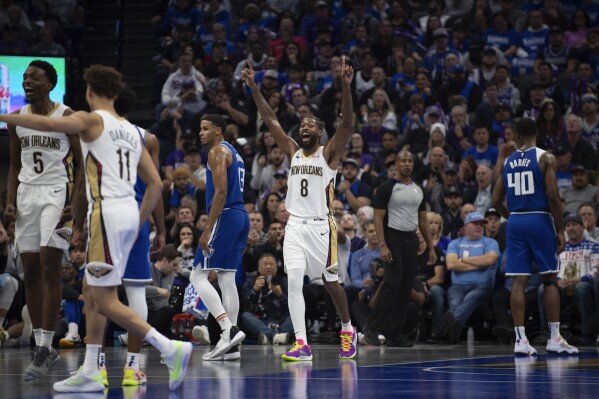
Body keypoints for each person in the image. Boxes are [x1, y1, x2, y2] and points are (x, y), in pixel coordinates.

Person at [0, 64, 193, 392]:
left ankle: (169, 347)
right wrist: (137, 221)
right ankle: (91, 370)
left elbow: (48, 122)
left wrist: (7, 117)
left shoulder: (92, 120)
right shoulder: (132, 131)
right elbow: (156, 185)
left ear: (90, 92)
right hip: (126, 214)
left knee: (103, 299)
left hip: (105, 215)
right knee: (91, 293)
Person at [243, 56, 358, 361]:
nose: (305, 127)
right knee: (294, 281)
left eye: (311, 125)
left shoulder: (328, 154)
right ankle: (302, 343)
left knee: (332, 284)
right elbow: (271, 120)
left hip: (322, 226)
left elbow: (346, 123)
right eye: (303, 124)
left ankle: (348, 329)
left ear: (319, 133)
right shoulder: (293, 151)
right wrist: (255, 88)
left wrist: (347, 87)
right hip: (295, 226)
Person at [3, 60, 85, 381]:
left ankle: (45, 345)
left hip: (57, 192)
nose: (27, 81)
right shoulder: (17, 118)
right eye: (24, 77)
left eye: (34, 77)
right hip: (27, 194)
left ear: (50, 83)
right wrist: (9, 201)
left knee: (51, 267)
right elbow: (13, 164)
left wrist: (75, 203)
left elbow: (81, 164)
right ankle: (42, 344)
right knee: (31, 271)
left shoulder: (66, 116)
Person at [492, 117, 578, 356]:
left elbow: (495, 201)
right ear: (537, 132)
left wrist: (511, 217)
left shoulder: (507, 161)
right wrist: (560, 229)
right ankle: (554, 338)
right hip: (539, 219)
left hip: (516, 221)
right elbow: (552, 195)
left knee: (519, 280)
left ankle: (520, 341)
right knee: (549, 279)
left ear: (516, 136)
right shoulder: (545, 158)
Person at [112, 85, 167, 386]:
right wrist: (160, 228)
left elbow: (82, 183)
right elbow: (154, 186)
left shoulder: (93, 130)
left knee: (96, 292)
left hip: (106, 213)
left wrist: (78, 222)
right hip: (136, 215)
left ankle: (94, 365)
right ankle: (133, 366)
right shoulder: (148, 138)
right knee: (135, 291)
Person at [189, 114, 249, 361]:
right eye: (199, 128)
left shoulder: (216, 152)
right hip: (241, 215)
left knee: (197, 274)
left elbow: (221, 193)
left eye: (205, 128)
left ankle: (227, 328)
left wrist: (207, 228)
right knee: (226, 277)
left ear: (218, 130)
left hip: (225, 215)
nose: (201, 133)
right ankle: (231, 346)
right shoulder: (236, 153)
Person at [362, 150, 437, 347]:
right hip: (392, 236)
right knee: (392, 283)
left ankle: (394, 334)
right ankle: (371, 327)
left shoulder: (419, 189)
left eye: (410, 160)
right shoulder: (387, 187)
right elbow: (377, 217)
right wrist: (383, 245)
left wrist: (430, 246)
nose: (407, 164)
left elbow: (422, 220)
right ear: (396, 164)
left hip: (411, 238)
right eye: (403, 160)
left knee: (405, 288)